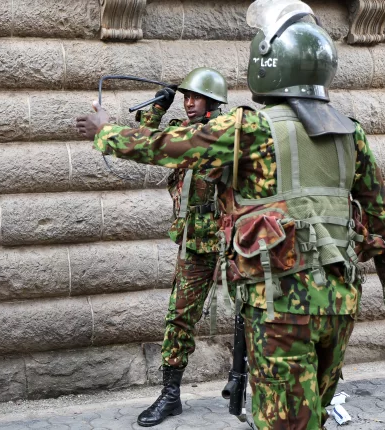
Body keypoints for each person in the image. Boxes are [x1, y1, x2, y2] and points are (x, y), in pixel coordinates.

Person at [76, 1, 385, 428]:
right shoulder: (351, 134)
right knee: (310, 417)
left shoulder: (249, 129)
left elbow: (162, 147)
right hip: (340, 306)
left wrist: (105, 131)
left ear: (267, 65)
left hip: (281, 309)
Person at [134, 68, 230, 427]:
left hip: (232, 244)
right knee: (178, 318)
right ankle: (170, 395)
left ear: (213, 101)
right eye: (186, 97)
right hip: (194, 245)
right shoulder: (180, 133)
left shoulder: (226, 136)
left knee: (253, 316)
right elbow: (144, 143)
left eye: (196, 97)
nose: (189, 103)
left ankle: (254, 382)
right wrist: (159, 107)